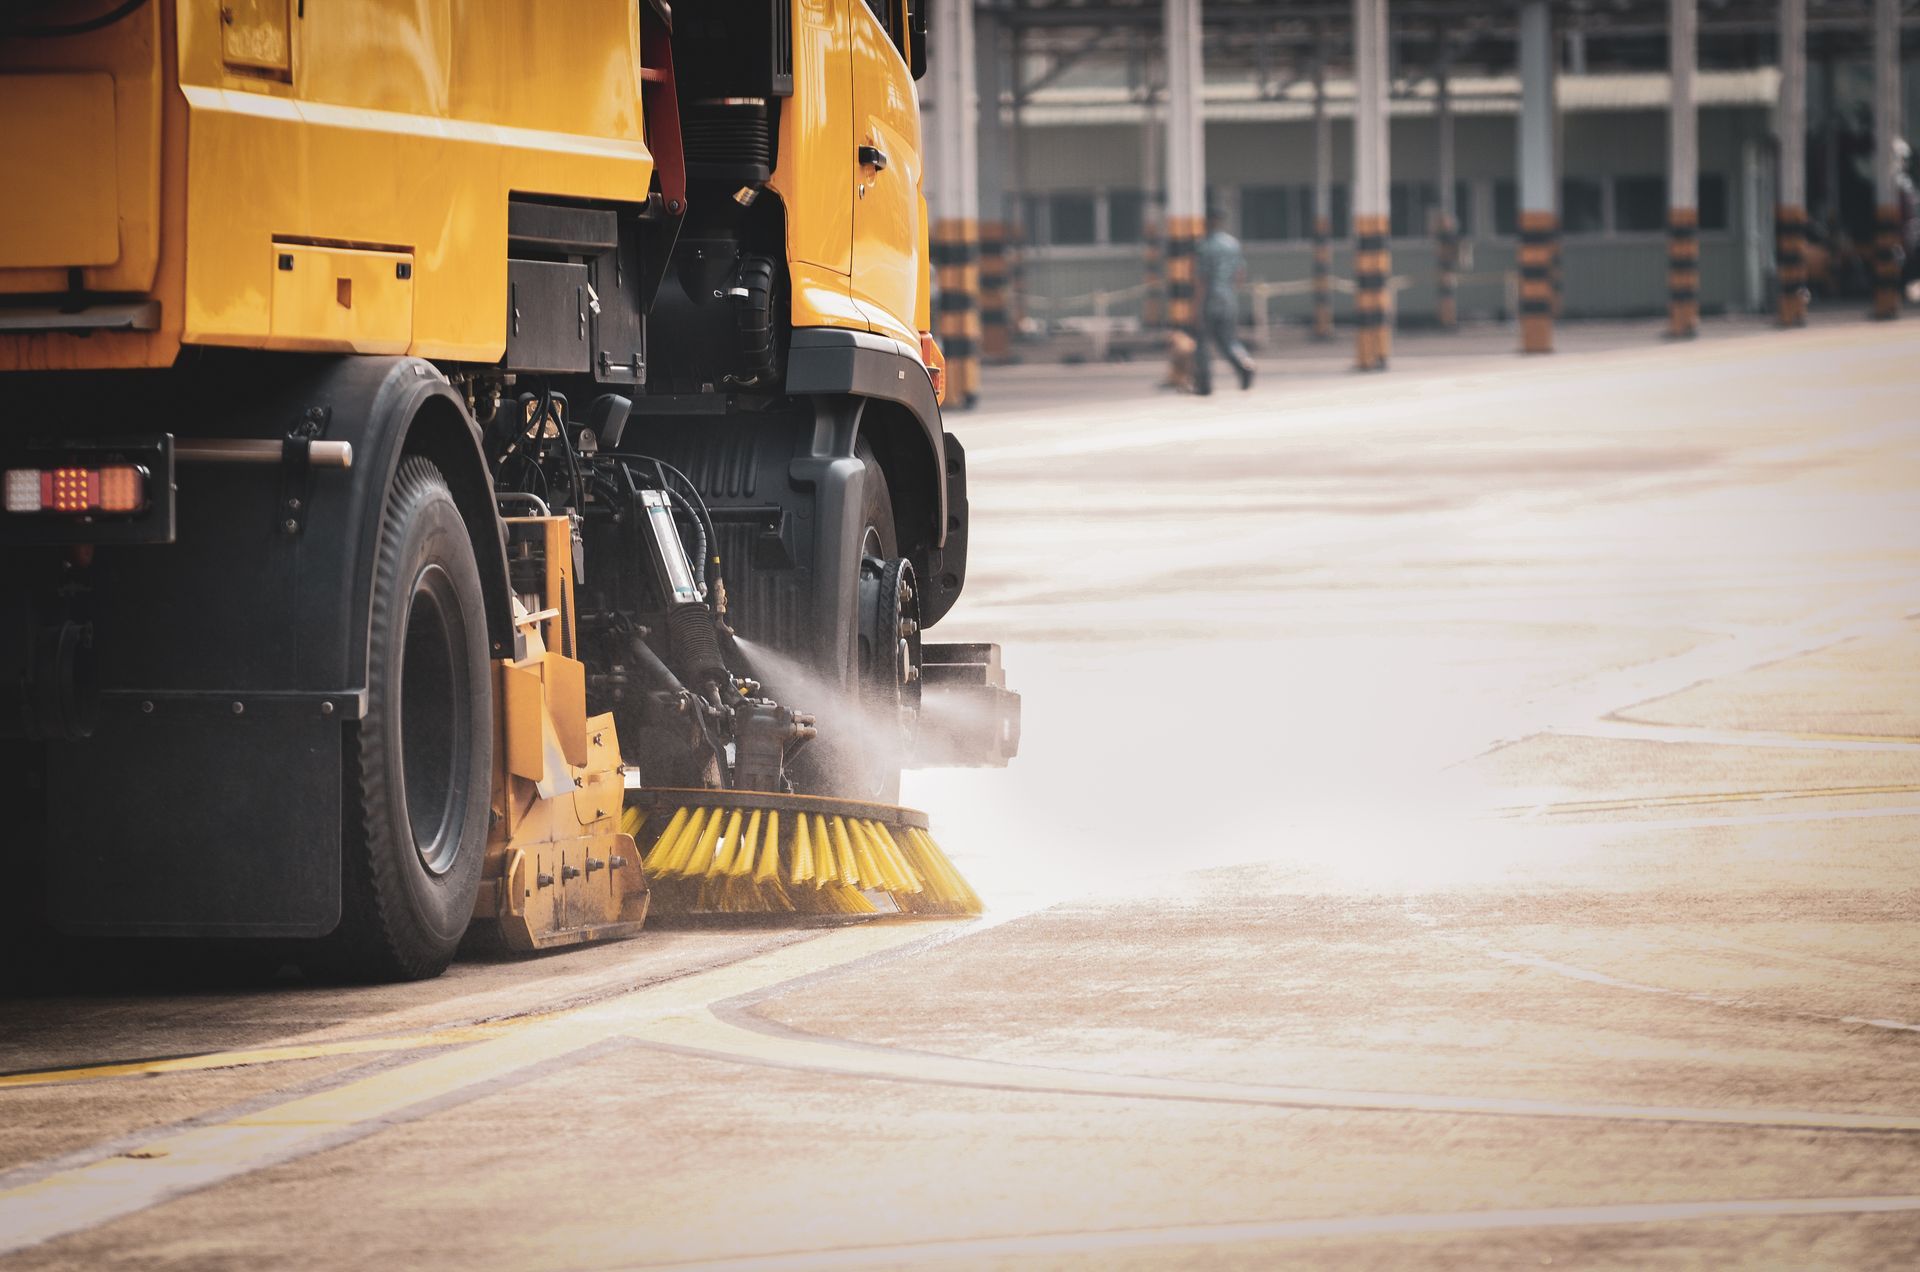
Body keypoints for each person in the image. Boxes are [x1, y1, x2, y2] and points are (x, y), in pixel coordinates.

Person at [1193, 208, 1255, 394]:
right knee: (1228, 339)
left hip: (1210, 298)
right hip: (1228, 297)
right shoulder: (1232, 244)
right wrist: (1229, 291)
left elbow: (1201, 279)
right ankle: (1244, 363)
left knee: (1202, 341)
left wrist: (1196, 307)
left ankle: (1204, 383)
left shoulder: (1203, 246)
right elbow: (1240, 274)